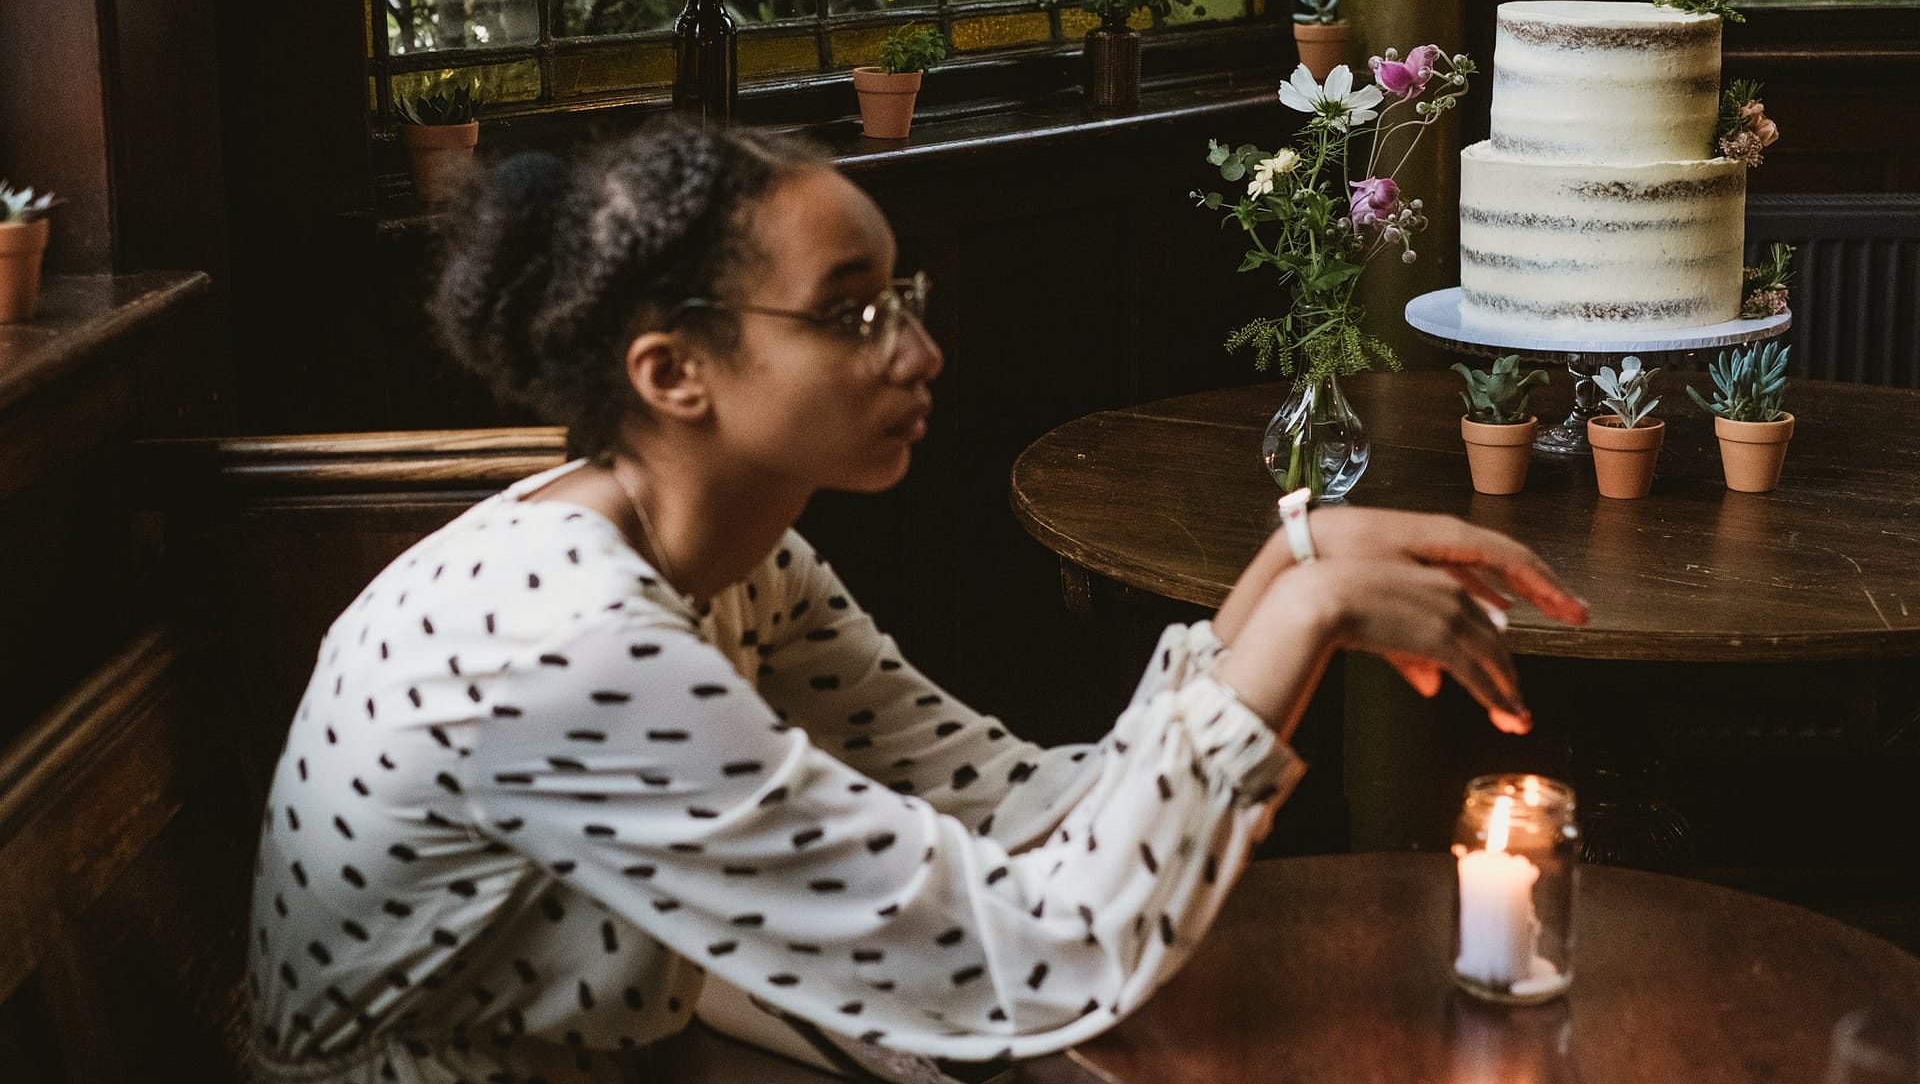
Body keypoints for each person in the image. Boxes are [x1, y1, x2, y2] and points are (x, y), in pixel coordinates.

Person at [245, 120, 1588, 1084]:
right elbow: (1035, 962)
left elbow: (1013, 806)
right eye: (850, 312)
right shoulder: (569, 647)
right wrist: (1293, 635)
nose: (921, 350)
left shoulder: (736, 559)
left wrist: (1268, 594)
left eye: (904, 296)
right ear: (673, 373)